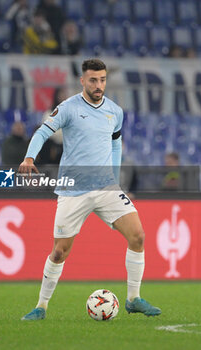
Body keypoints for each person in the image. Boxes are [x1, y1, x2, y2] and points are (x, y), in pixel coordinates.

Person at [19, 58, 161, 320]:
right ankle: (41, 306)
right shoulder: (69, 107)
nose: (99, 85)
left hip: (106, 187)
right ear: (83, 81)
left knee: (138, 236)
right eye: (93, 80)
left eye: (103, 80)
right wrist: (29, 158)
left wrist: (115, 178)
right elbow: (41, 133)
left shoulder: (115, 111)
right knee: (60, 251)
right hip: (74, 190)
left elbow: (116, 144)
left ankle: (133, 299)